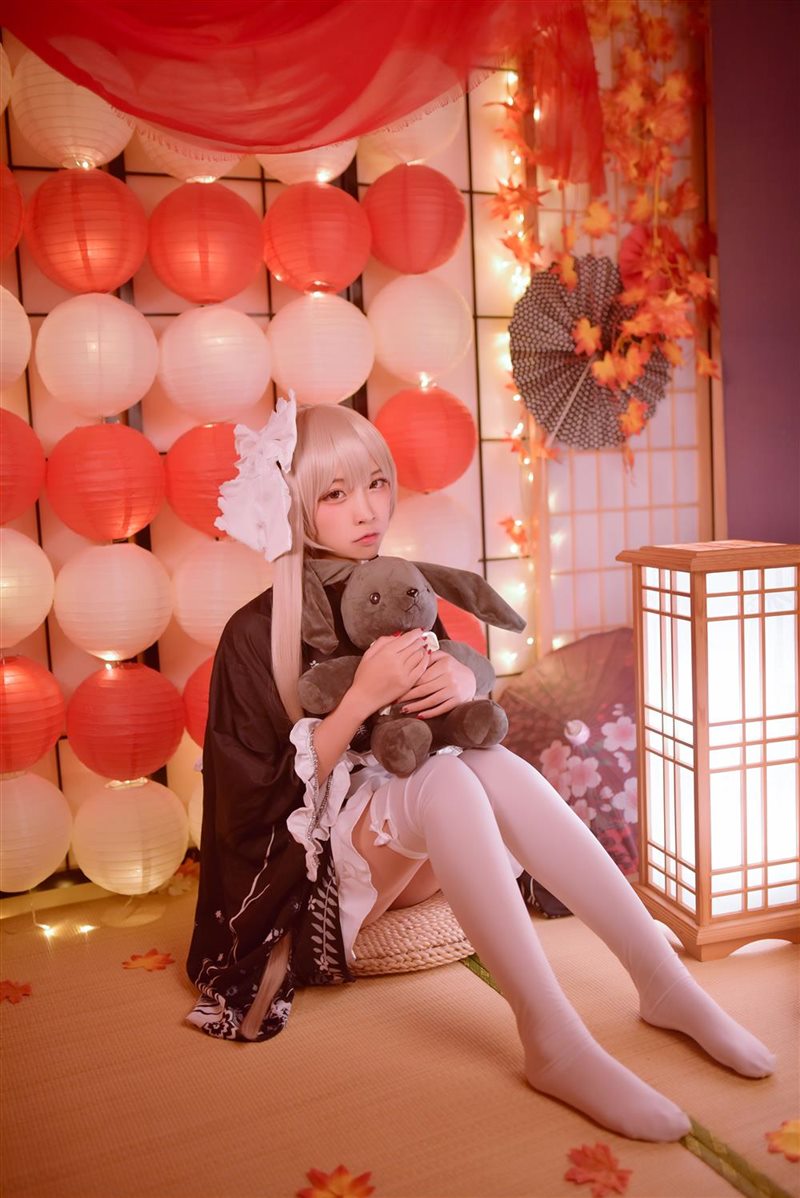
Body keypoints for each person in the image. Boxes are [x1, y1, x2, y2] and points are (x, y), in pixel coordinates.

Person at [187, 397, 775, 1143]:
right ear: (296, 505)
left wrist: (465, 684)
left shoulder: (400, 589)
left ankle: (664, 983)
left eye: (376, 483)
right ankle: (552, 1038)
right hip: (315, 879)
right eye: (334, 494)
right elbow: (250, 811)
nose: (367, 509)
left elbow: (449, 730)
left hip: (415, 837)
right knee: (447, 782)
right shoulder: (254, 633)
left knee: (488, 761)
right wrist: (360, 697)